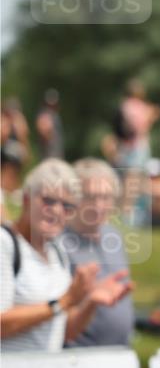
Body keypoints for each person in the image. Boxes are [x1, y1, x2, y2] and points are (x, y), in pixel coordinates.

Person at [1, 159, 133, 352]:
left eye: (67, 206)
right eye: (48, 200)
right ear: (26, 199)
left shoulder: (56, 254)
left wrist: (91, 302)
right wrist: (64, 302)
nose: (56, 211)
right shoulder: (5, 243)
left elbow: (65, 332)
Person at [59, 159, 136, 347]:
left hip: (121, 354)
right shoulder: (57, 243)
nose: (99, 205)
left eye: (106, 197)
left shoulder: (113, 235)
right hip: (78, 358)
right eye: (90, 197)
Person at [1, 99, 30, 195]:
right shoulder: (3, 120)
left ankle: (12, 191)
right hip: (6, 151)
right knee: (7, 171)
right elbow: (3, 136)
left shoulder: (19, 121)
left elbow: (24, 137)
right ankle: (5, 190)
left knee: (14, 172)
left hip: (15, 152)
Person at [35, 89, 64, 160]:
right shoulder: (44, 114)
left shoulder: (54, 114)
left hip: (56, 155)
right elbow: (43, 131)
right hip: (49, 155)